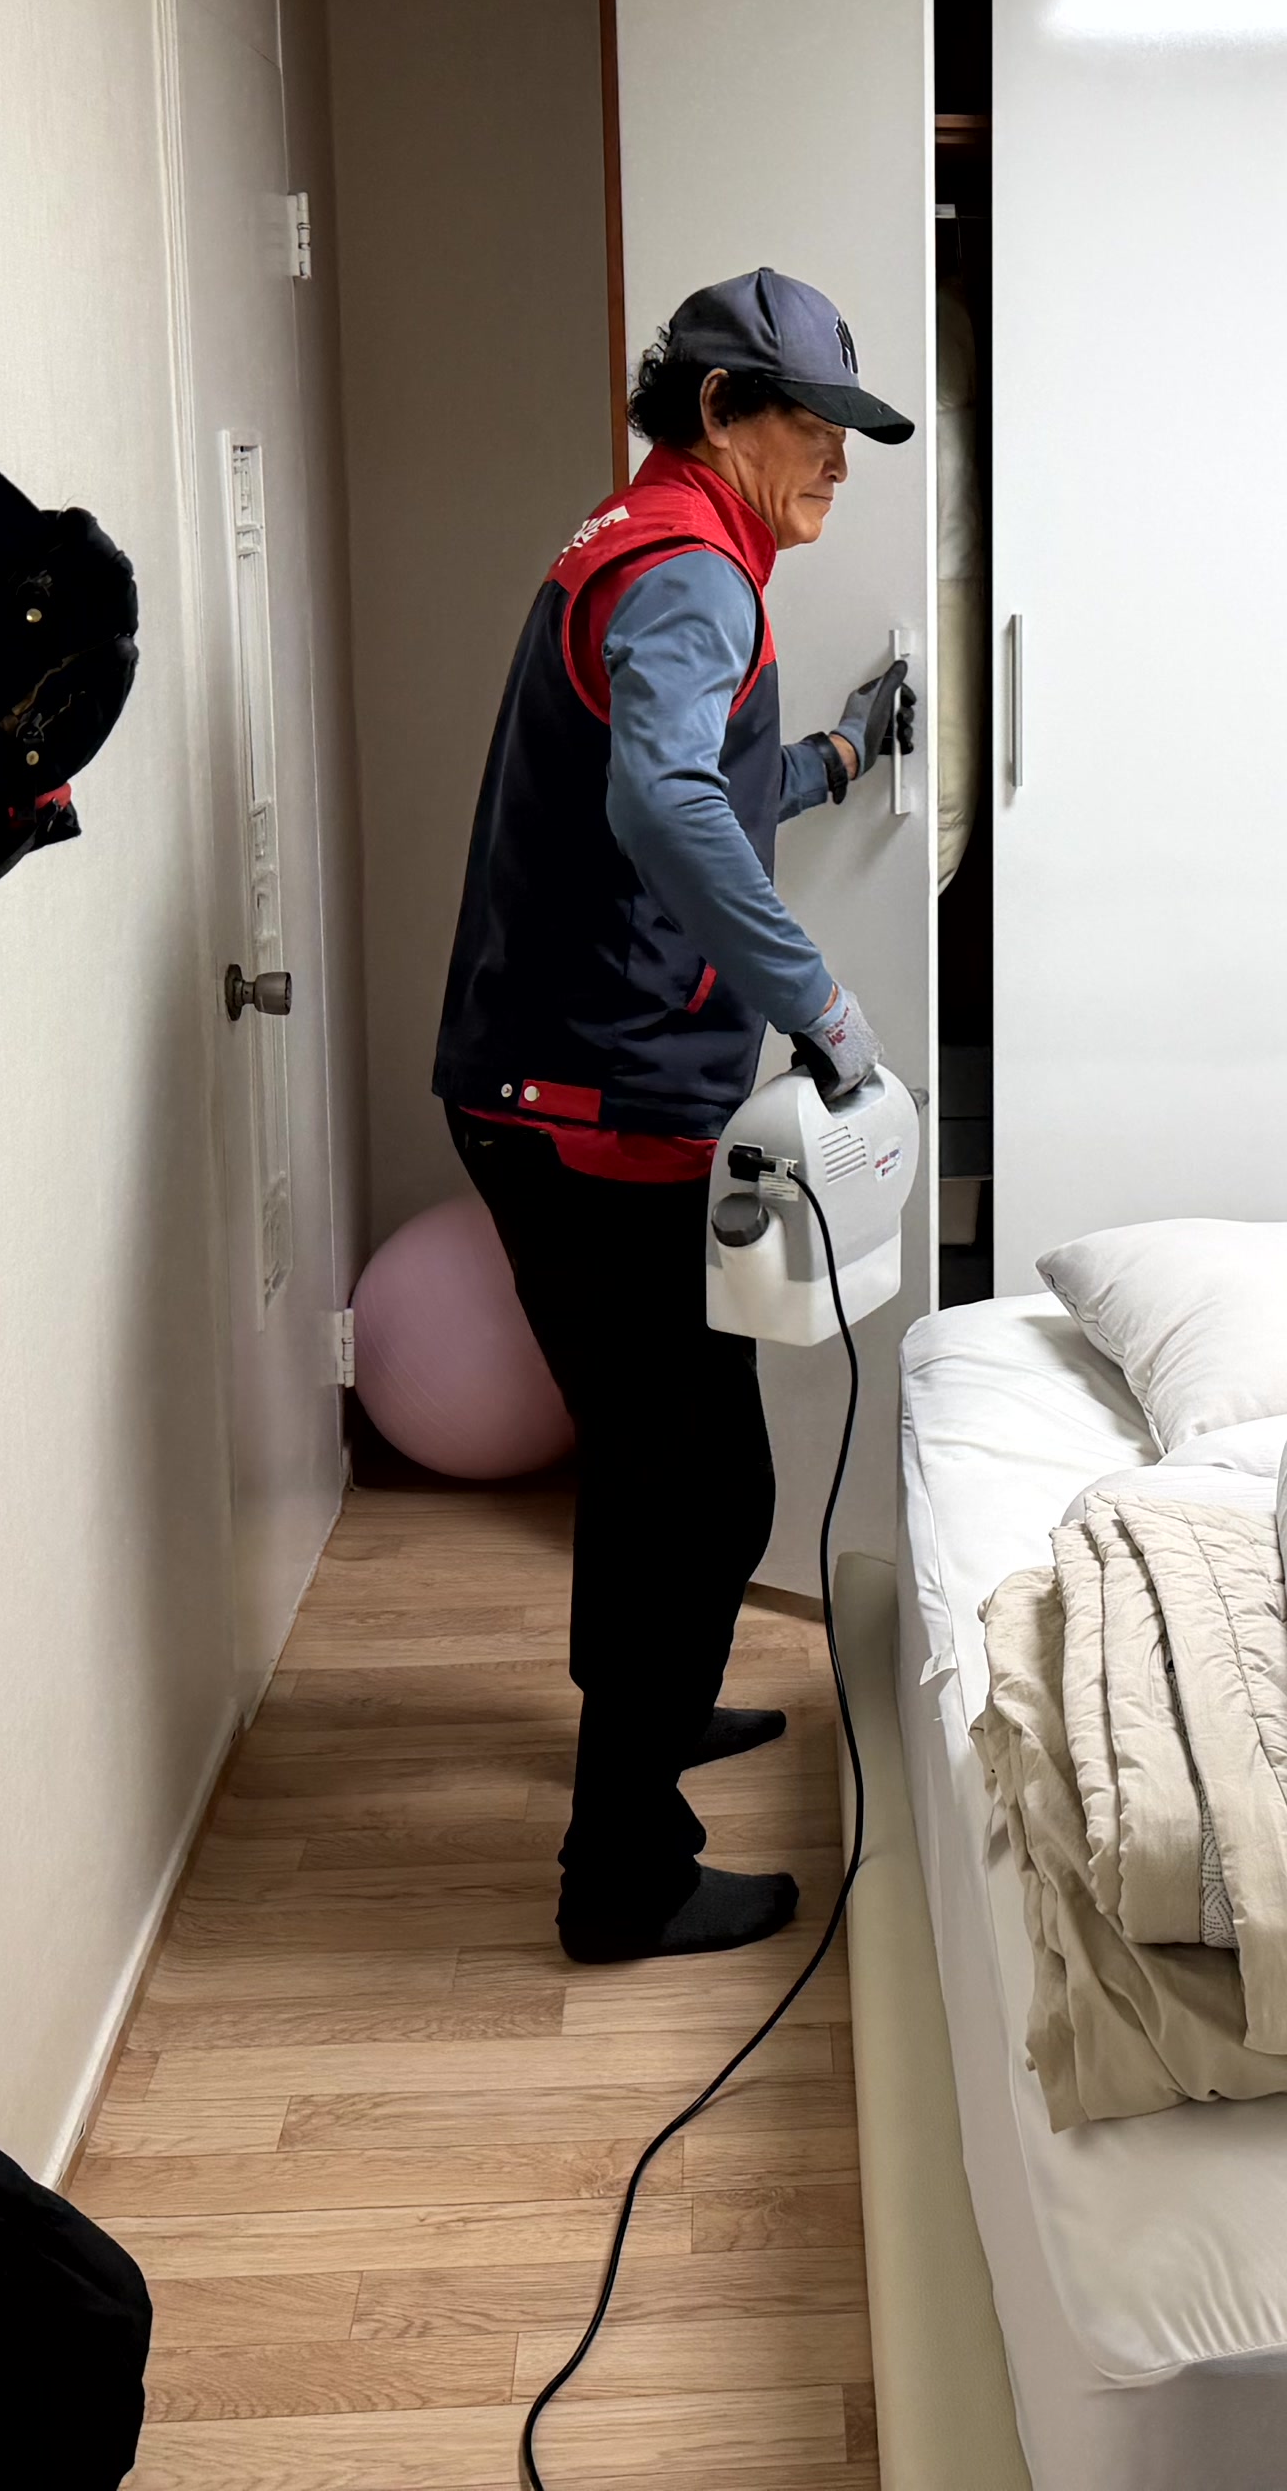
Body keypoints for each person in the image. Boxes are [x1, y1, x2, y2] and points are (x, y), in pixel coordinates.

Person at [434, 266, 915, 1962]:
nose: (839, 463)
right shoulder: (689, 568)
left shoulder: (647, 544)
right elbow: (661, 805)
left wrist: (836, 758)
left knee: (672, 1473)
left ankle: (657, 1709)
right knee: (692, 1493)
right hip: (586, 1107)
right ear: (719, 407)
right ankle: (620, 1878)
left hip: (564, 1090)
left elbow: (692, 777)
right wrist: (824, 1011)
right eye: (814, 425)